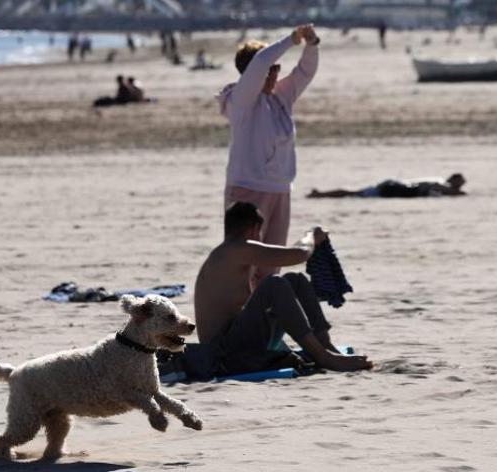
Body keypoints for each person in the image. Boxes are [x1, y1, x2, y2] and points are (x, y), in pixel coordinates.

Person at [194, 202, 373, 374]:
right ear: (253, 229)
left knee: (295, 280)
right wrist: (312, 234)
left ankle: (325, 345)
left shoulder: (227, 254)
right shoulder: (235, 250)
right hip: (222, 357)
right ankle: (323, 357)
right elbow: (300, 254)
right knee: (274, 284)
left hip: (234, 346)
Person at [217, 24, 320, 286]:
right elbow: (262, 60)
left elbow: (305, 72)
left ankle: (265, 319)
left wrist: (311, 44)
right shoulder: (240, 100)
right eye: (272, 69)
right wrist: (291, 39)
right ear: (255, 72)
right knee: (243, 267)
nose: (275, 73)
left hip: (280, 190)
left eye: (277, 68)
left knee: (271, 267)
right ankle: (237, 320)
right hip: (248, 191)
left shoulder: (280, 97)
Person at [307, 174, 467, 199]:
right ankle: (320, 195)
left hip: (392, 186)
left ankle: (320, 194)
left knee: (353, 193)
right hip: (392, 188)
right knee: (352, 193)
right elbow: (453, 193)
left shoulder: (436, 182)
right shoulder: (440, 184)